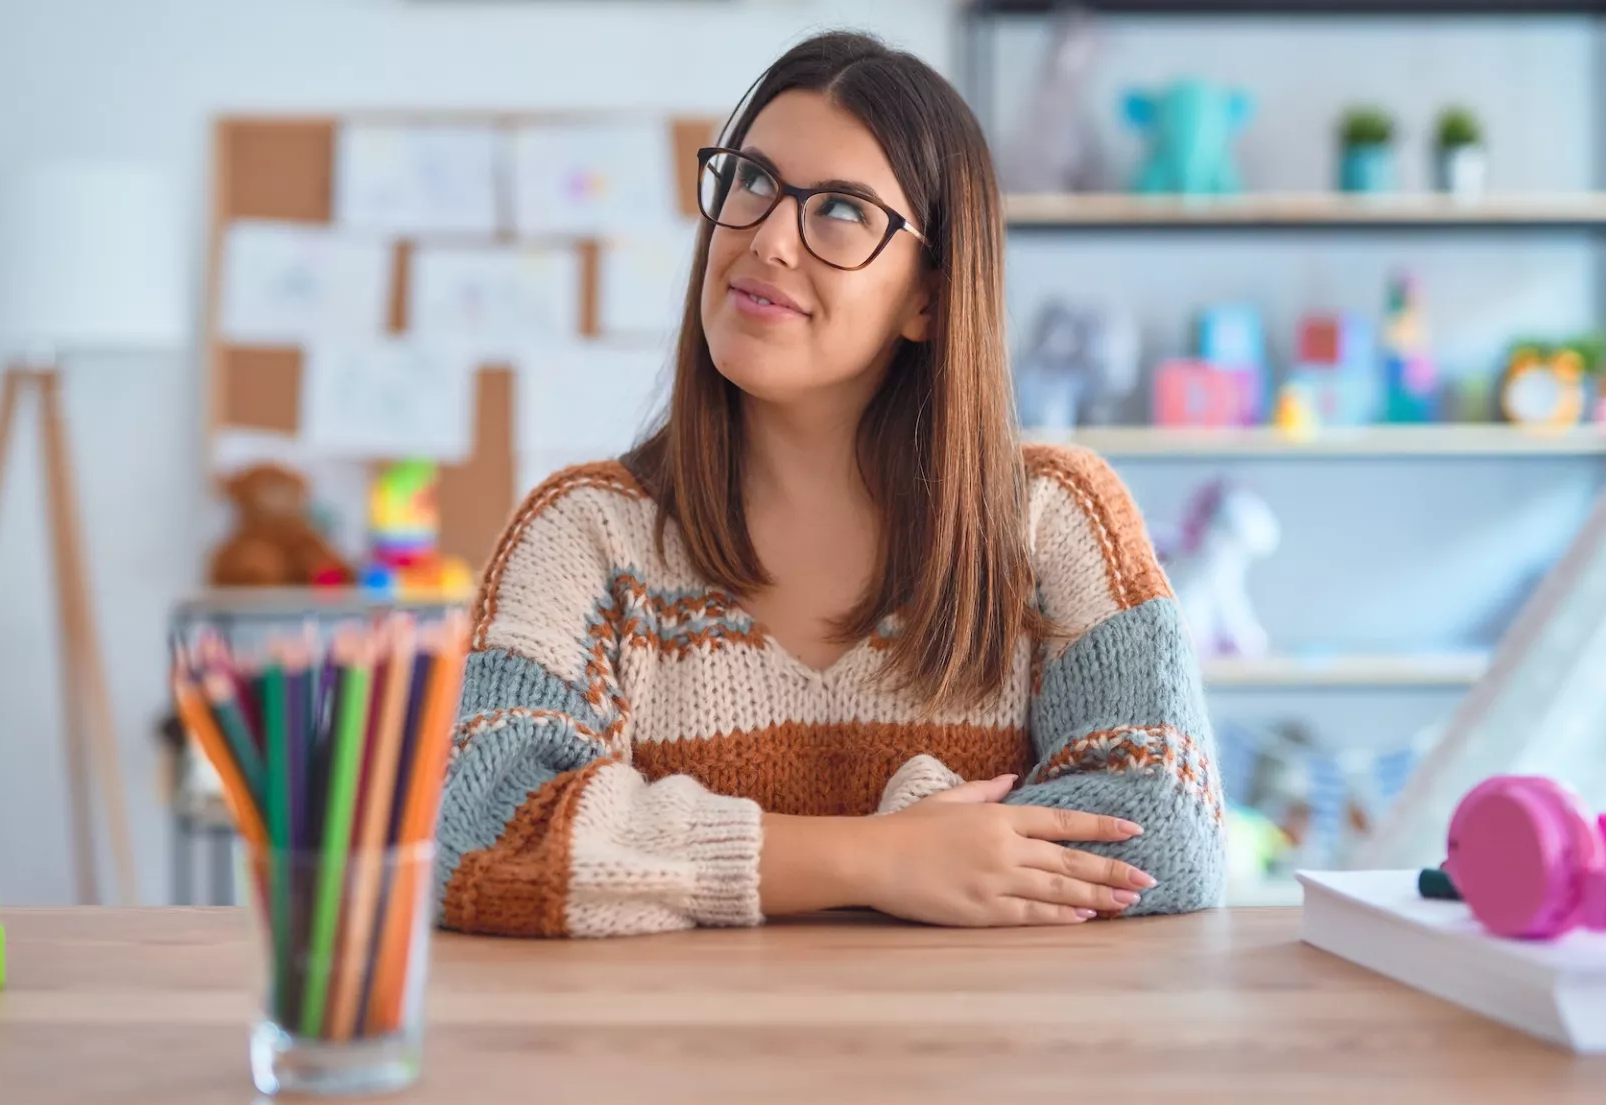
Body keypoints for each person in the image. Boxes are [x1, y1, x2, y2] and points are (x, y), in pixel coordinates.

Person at [435, 30, 1222, 938]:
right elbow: (480, 831)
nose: (767, 239)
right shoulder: (583, 533)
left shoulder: (1054, 517)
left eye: (841, 210)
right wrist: (888, 855)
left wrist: (668, 854)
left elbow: (1168, 820)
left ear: (928, 297)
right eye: (753, 181)